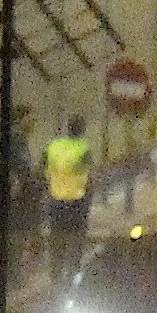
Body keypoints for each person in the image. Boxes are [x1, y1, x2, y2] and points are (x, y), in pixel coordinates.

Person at [40, 116, 94, 271]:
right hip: (77, 201)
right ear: (82, 130)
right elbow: (90, 175)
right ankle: (74, 270)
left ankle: (55, 271)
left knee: (57, 238)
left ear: (68, 128)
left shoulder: (54, 145)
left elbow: (42, 166)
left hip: (56, 200)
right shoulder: (84, 148)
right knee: (76, 238)